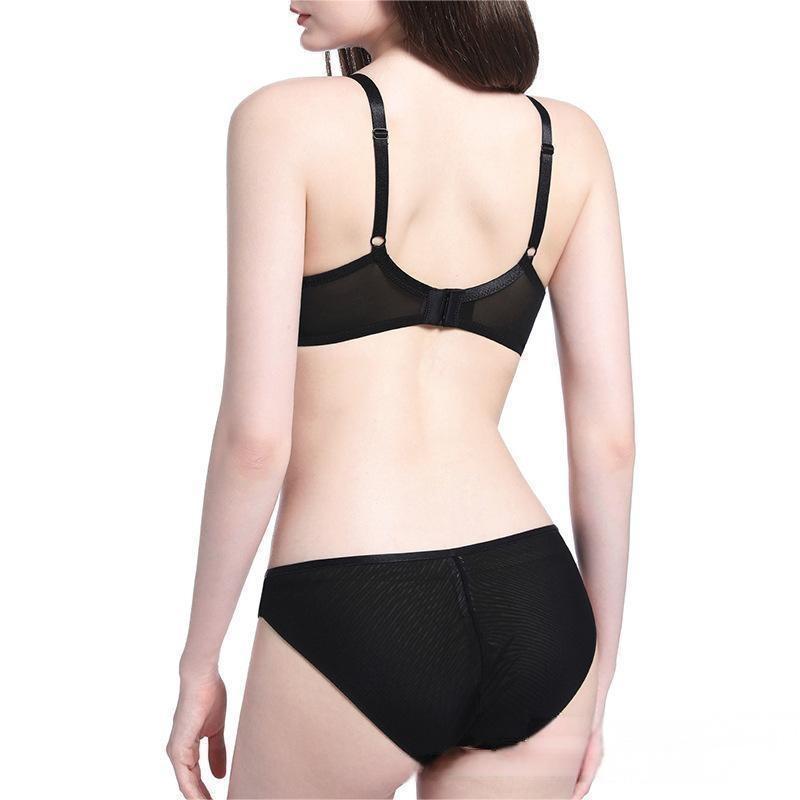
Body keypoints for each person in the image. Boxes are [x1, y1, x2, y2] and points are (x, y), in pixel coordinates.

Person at [167, 2, 634, 798]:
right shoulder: (571, 140)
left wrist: (198, 663)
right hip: (538, 612)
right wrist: (599, 677)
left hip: (355, 600)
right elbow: (609, 441)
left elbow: (255, 440)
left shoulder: (283, 122)